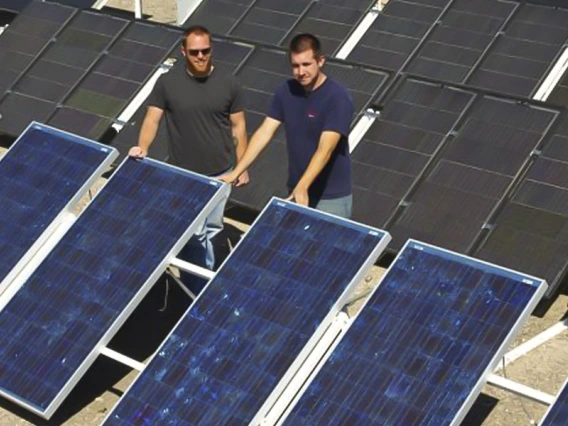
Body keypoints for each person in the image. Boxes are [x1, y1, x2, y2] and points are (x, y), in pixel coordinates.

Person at [129, 25, 248, 295]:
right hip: (183, 176)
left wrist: (242, 166)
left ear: (211, 49)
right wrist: (143, 147)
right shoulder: (168, 83)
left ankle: (201, 286)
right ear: (183, 51)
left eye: (205, 50)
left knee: (213, 231)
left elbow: (238, 127)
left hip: (221, 174)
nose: (200, 56)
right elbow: (152, 118)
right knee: (194, 235)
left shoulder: (230, 83)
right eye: (194, 52)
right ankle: (198, 291)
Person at [221, 33, 354, 218]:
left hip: (330, 198)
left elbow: (326, 149)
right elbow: (265, 132)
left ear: (320, 61)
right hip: (296, 189)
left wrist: (303, 186)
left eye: (306, 64)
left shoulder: (337, 98)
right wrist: (237, 170)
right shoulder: (287, 90)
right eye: (295, 66)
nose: (300, 72)